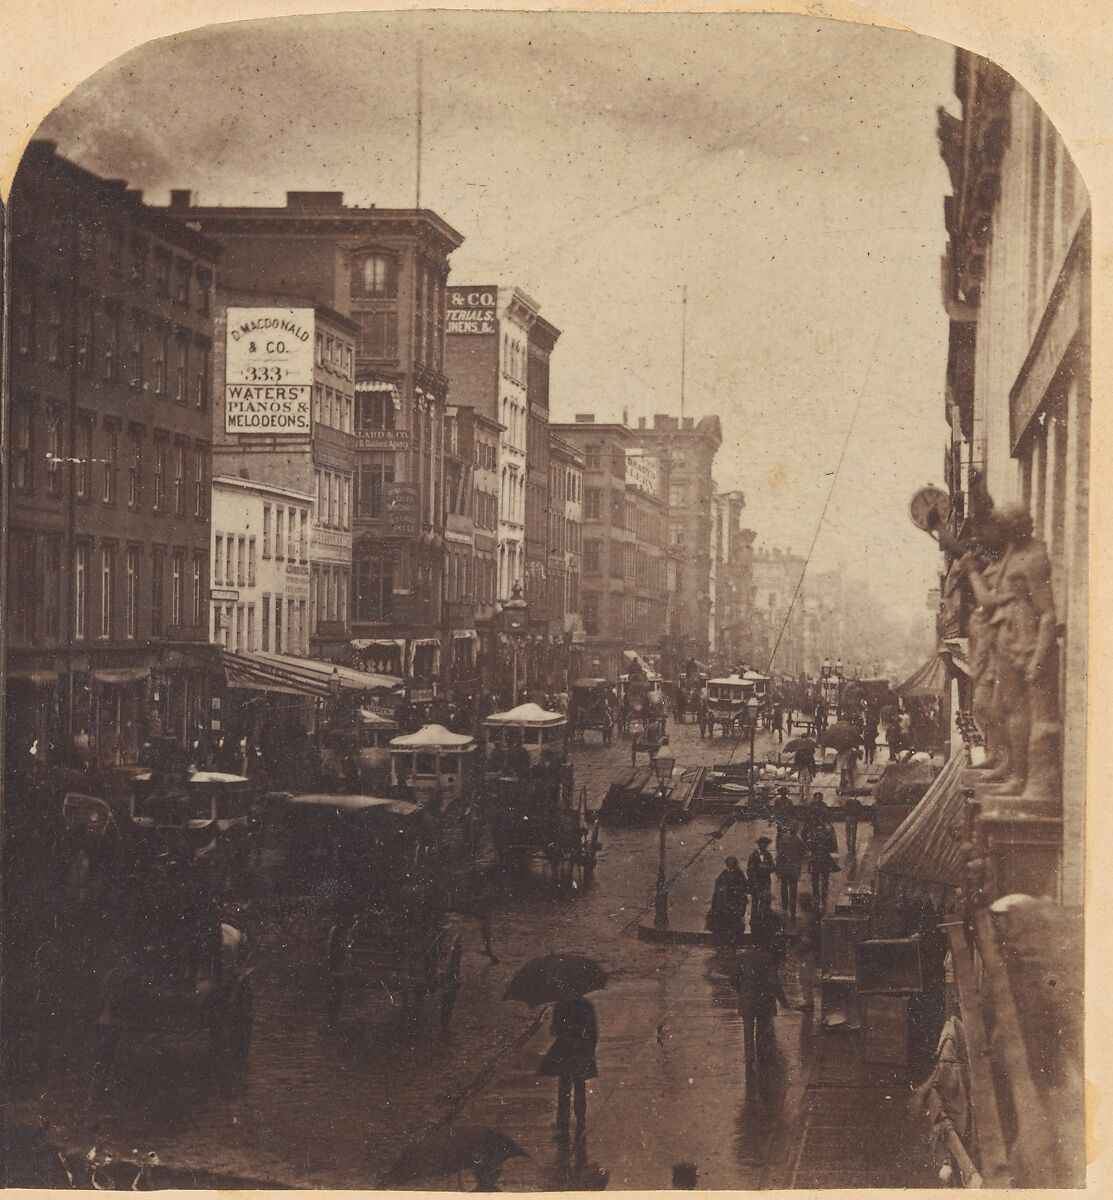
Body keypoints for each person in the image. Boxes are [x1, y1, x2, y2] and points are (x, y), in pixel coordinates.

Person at [732, 931, 803, 1077]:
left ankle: (749, 1061)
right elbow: (774, 982)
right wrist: (783, 1000)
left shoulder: (741, 958)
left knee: (747, 1031)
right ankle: (762, 1059)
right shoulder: (767, 959)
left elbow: (733, 979)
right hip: (764, 1000)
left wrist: (742, 990)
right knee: (763, 1031)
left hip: (747, 999)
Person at [538, 994, 598, 1131]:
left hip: (565, 1050)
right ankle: (581, 1117)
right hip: (580, 1051)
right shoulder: (586, 1005)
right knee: (579, 1084)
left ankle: (563, 1119)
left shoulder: (561, 1004)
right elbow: (593, 1033)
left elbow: (554, 1029)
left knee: (564, 1085)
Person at [804, 801, 838, 911]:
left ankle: (817, 898)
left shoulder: (812, 829)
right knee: (824, 879)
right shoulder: (829, 829)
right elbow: (833, 845)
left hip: (815, 857)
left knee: (815, 879)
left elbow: (808, 844)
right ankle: (823, 898)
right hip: (825, 857)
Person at [708, 857, 749, 944]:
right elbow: (718, 884)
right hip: (725, 901)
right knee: (725, 920)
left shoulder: (739, 874)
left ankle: (735, 938)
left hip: (736, 901)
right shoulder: (724, 873)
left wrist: (733, 889)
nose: (730, 866)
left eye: (731, 864)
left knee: (736, 920)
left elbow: (744, 886)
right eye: (728, 864)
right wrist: (722, 889)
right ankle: (725, 938)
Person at [775, 824, 805, 924]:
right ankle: (792, 907)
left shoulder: (783, 839)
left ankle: (785, 905)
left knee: (783, 886)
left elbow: (779, 853)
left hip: (784, 867)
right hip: (794, 868)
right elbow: (803, 852)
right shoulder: (798, 840)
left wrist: (778, 866)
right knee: (793, 887)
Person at [746, 837, 776, 903]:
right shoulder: (753, 855)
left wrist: (766, 867)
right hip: (756, 882)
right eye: (761, 844)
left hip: (765, 882)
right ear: (759, 845)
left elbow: (773, 867)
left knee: (765, 903)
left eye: (765, 844)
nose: (763, 846)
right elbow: (749, 870)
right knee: (755, 902)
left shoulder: (768, 855)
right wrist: (753, 879)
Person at [844, 794, 862, 862]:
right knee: (854, 832)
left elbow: (845, 809)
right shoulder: (858, 802)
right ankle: (853, 846)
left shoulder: (847, 801)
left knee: (848, 831)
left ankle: (848, 843)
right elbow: (860, 809)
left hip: (848, 817)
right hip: (855, 817)